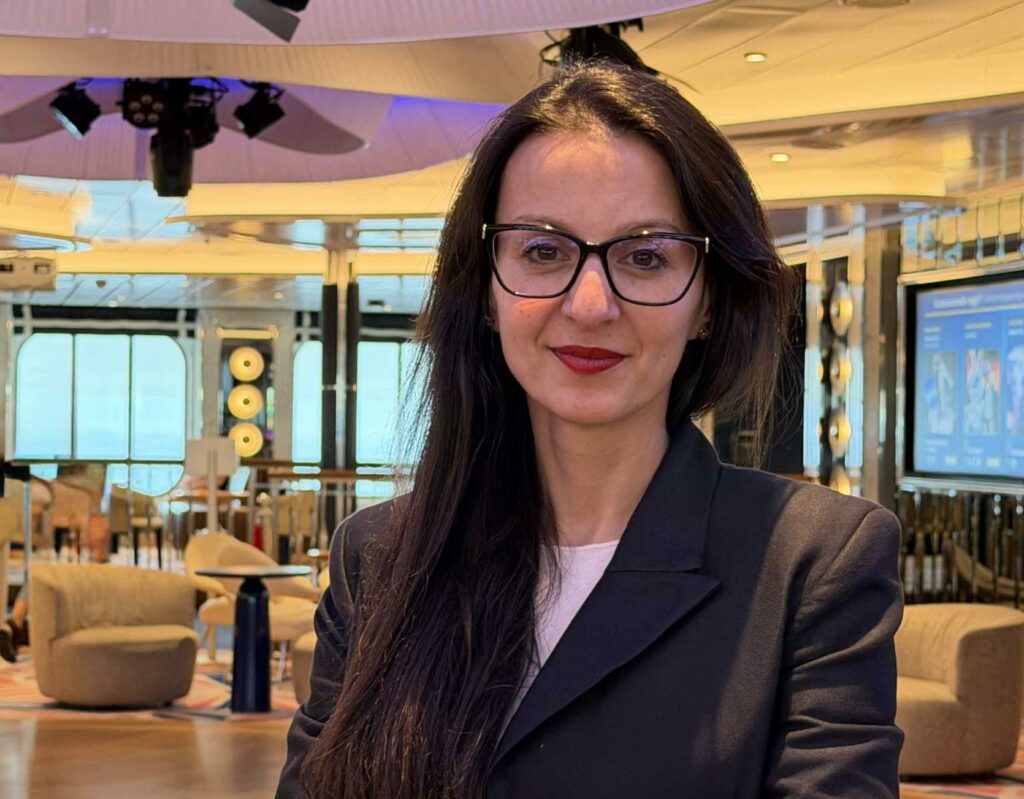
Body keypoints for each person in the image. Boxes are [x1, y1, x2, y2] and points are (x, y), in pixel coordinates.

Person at [276, 60, 903, 799]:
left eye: (645, 257)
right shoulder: (381, 556)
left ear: (707, 301)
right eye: (543, 252)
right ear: (485, 288)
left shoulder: (812, 561)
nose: (591, 304)